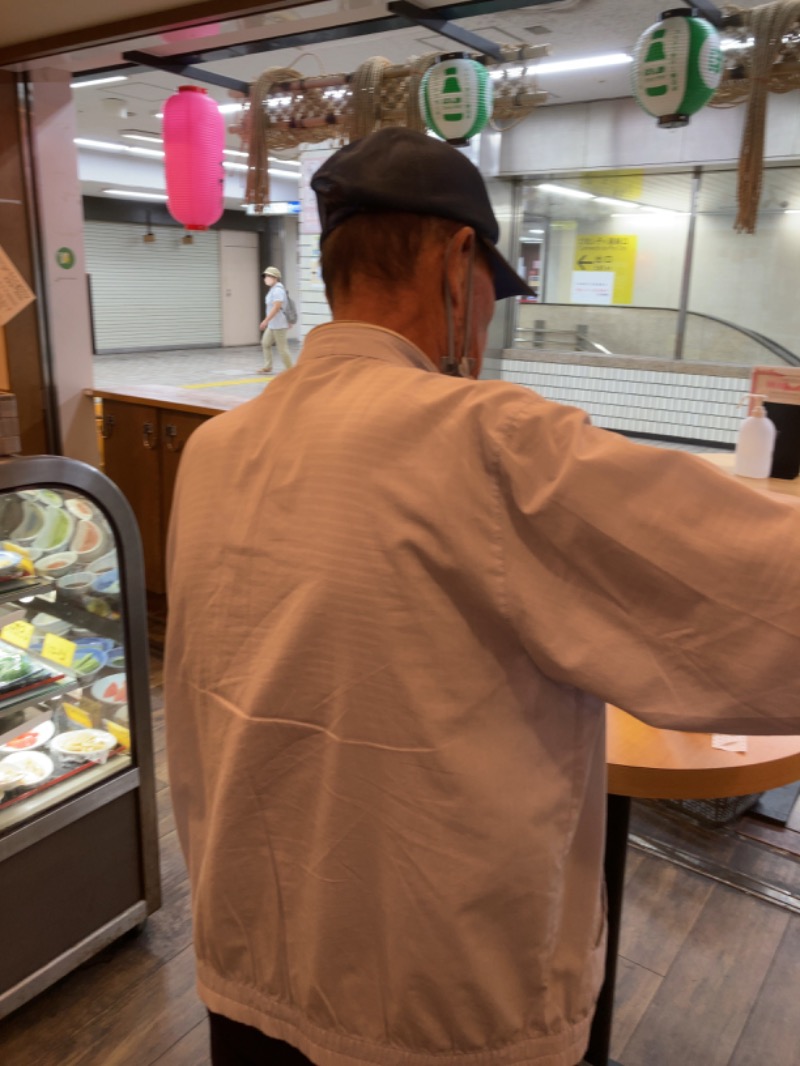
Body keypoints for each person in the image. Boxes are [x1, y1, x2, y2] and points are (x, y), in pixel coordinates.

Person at [164, 128, 800, 1066]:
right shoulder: (492, 441)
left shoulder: (215, 450)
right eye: (493, 296)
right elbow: (755, 595)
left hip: (248, 958)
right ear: (459, 259)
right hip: (436, 1003)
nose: (489, 323)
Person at [259, 265, 292, 373]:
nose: (266, 278)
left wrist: (265, 320)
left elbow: (277, 307)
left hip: (279, 324)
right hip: (273, 324)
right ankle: (268, 366)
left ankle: (290, 370)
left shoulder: (278, 290)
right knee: (265, 343)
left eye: (269, 276)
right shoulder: (272, 289)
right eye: (266, 276)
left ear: (276, 277)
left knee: (282, 349)